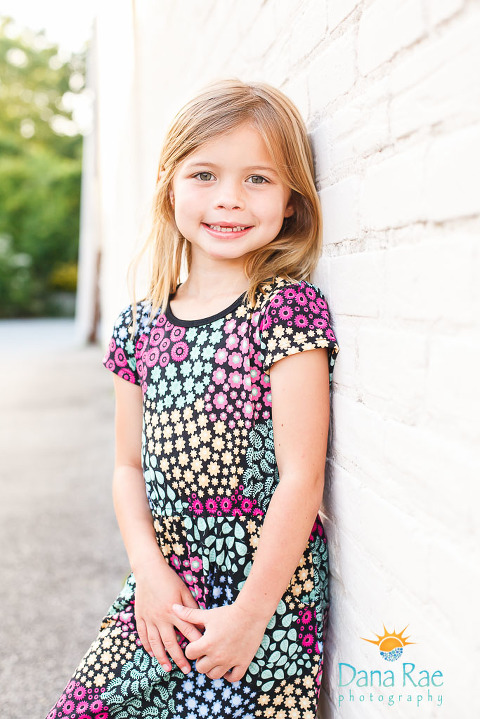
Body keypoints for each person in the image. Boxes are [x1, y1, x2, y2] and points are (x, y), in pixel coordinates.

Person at [46, 78, 339, 719]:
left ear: (291, 202)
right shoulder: (139, 326)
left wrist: (252, 613)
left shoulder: (285, 311)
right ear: (169, 189)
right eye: (204, 175)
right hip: (164, 587)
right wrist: (148, 574)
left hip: (263, 596)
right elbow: (128, 467)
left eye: (258, 179)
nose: (229, 198)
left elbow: (302, 478)